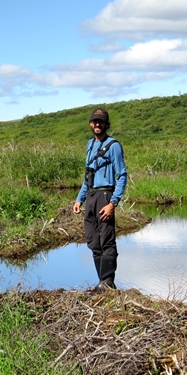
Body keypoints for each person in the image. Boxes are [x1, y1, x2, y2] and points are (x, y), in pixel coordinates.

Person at [73, 108, 127, 291]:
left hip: (105, 196)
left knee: (107, 240)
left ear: (106, 124)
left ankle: (108, 282)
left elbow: (122, 175)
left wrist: (113, 203)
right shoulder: (90, 145)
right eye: (95, 121)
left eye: (101, 121)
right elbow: (87, 176)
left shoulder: (114, 146)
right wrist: (79, 199)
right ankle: (101, 283)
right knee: (93, 241)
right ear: (90, 124)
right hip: (90, 196)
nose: (97, 124)